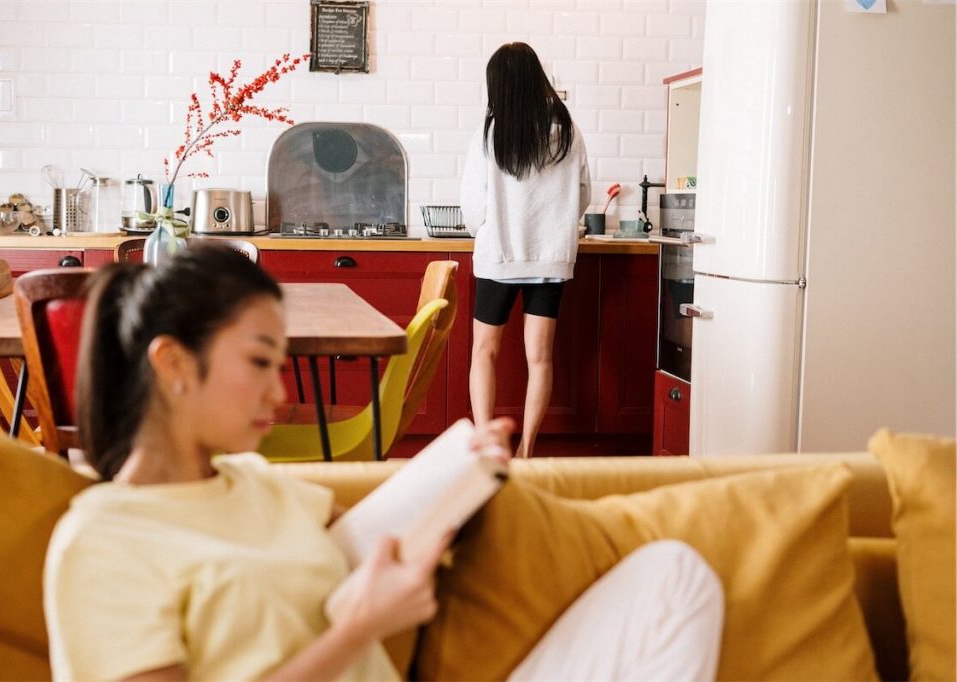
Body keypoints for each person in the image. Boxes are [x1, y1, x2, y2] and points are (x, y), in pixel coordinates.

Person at [44, 244, 724, 681]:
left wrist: (452, 475)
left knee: (675, 577)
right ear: (172, 364)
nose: (281, 395)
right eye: (259, 362)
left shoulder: (258, 486)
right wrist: (360, 630)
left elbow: (373, 540)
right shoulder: (101, 539)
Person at [461, 42, 591, 459]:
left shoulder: (491, 131)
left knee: (485, 351)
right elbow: (584, 192)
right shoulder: (567, 129)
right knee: (540, 359)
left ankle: (486, 448)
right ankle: (526, 452)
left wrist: (483, 230)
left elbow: (473, 203)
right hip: (549, 258)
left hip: (499, 256)